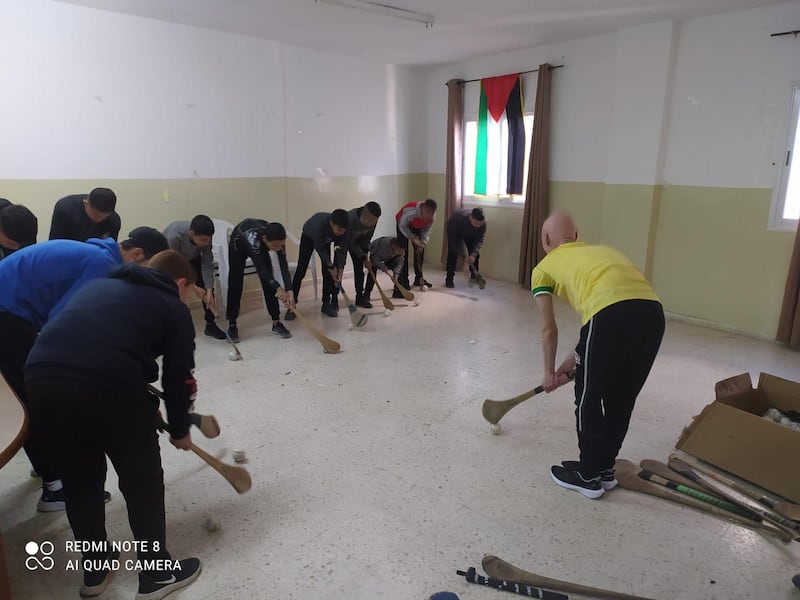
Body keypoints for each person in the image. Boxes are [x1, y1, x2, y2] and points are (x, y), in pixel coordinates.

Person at [25, 249, 202, 599]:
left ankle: (95, 571)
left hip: (41, 379)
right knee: (142, 478)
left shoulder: (101, 285)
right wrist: (180, 429)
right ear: (180, 283)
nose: (187, 298)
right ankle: (156, 575)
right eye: (189, 290)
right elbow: (179, 377)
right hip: (108, 383)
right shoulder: (173, 307)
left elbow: (88, 342)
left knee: (80, 480)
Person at [0, 227, 168, 512]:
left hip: (12, 310)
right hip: (6, 315)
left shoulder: (97, 253)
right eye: (146, 269)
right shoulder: (103, 265)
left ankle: (47, 470)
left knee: (31, 393)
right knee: (36, 399)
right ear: (138, 254)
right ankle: (54, 487)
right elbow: (67, 326)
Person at [532, 211, 664, 499]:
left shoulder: (544, 267)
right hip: (653, 315)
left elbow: (548, 330)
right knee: (621, 397)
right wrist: (574, 360)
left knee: (589, 396)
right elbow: (600, 316)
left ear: (545, 239)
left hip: (608, 316)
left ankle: (587, 476)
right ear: (576, 236)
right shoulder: (602, 252)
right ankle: (604, 469)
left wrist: (547, 372)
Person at [226, 219, 296, 341]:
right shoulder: (254, 241)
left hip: (260, 245)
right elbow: (261, 269)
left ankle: (276, 323)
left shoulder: (277, 241)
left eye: (281, 245)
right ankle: (232, 325)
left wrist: (289, 290)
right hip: (238, 243)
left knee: (269, 284)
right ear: (265, 239)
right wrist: (278, 288)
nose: (278, 249)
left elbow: (283, 266)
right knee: (235, 283)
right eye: (275, 246)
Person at [163, 215, 226, 340]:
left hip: (192, 258)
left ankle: (210, 325)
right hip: (170, 260)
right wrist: (193, 286)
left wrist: (208, 290)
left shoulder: (206, 236)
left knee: (206, 288)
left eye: (208, 240)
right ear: (191, 233)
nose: (206, 243)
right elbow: (175, 264)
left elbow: (207, 262)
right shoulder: (174, 236)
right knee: (176, 291)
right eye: (203, 240)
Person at [288, 210, 349, 318]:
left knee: (327, 272)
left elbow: (342, 251)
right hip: (308, 236)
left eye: (343, 231)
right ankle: (292, 306)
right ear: (331, 223)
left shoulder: (343, 230)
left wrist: (340, 270)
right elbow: (320, 249)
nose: (341, 233)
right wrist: (331, 265)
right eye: (339, 230)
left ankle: (326, 303)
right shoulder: (318, 226)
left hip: (325, 239)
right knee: (301, 270)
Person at [395, 198, 437, 295]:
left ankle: (419, 278)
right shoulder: (411, 212)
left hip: (417, 226)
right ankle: (403, 280)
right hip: (402, 224)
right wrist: (412, 237)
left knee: (419, 252)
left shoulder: (431, 217)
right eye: (427, 212)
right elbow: (402, 225)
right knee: (403, 253)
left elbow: (426, 231)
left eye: (432, 213)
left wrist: (422, 243)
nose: (429, 216)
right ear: (422, 208)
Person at [49, 187, 121, 242]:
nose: (99, 219)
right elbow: (55, 243)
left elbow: (108, 249)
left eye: (104, 217)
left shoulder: (114, 220)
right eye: (96, 215)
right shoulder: (65, 209)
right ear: (86, 204)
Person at [346, 202, 381, 308]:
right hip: (345, 241)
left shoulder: (373, 220)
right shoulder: (350, 219)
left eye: (375, 221)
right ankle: (334, 299)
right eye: (370, 221)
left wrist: (366, 256)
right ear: (364, 214)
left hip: (360, 241)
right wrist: (361, 256)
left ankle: (363, 297)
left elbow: (367, 239)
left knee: (366, 267)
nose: (372, 223)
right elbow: (350, 242)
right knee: (355, 268)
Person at [445, 207, 487, 289]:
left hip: (471, 234)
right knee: (452, 253)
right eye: (476, 223)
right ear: (470, 218)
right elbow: (453, 242)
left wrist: (473, 255)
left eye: (480, 224)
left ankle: (474, 276)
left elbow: (479, 240)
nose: (478, 226)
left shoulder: (483, 224)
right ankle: (449, 279)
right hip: (455, 231)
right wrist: (463, 256)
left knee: (475, 254)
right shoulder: (457, 220)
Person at [363, 237, 405, 304]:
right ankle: (366, 295)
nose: (400, 253)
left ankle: (398, 292)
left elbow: (399, 263)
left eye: (401, 252)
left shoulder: (401, 252)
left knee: (401, 271)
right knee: (372, 273)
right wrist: (383, 267)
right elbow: (375, 259)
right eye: (398, 251)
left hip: (388, 257)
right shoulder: (384, 246)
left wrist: (395, 275)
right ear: (394, 246)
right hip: (373, 254)